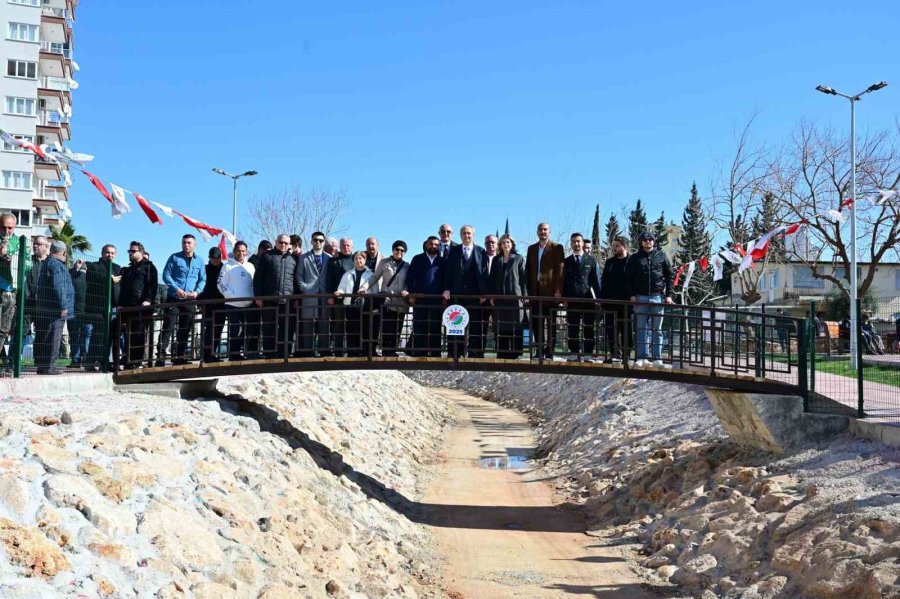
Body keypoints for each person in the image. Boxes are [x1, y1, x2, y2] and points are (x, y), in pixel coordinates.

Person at [625, 231, 674, 367]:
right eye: (645, 239)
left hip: (657, 297)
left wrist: (669, 295)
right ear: (641, 241)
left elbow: (670, 276)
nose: (648, 242)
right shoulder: (635, 258)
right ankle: (641, 357)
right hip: (640, 297)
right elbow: (628, 278)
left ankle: (658, 358)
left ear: (654, 241)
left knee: (657, 329)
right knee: (641, 328)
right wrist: (632, 294)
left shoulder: (661, 256)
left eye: (650, 239)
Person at [443, 225, 488, 358]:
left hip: (474, 295)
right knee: (455, 324)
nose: (466, 236)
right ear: (460, 235)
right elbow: (448, 272)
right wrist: (446, 288)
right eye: (464, 233)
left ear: (473, 235)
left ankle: (473, 352)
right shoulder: (453, 251)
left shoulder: (481, 251)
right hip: (457, 295)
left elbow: (485, 273)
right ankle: (456, 352)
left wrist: (484, 293)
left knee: (475, 325)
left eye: (469, 233)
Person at [160, 234, 206, 365]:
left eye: (189, 243)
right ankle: (160, 357)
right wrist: (176, 289)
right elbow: (166, 274)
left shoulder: (200, 261)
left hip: (190, 300)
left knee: (185, 329)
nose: (186, 245)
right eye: (184, 242)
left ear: (194, 245)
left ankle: (179, 357)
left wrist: (197, 292)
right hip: (174, 298)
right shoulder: (174, 258)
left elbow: (203, 279)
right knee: (168, 327)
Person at [253, 234, 298, 358]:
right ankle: (269, 353)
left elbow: (296, 281)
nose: (283, 245)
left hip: (287, 300)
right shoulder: (267, 256)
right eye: (281, 242)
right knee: (268, 327)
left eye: (286, 243)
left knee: (287, 328)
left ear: (289, 245)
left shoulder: (294, 259)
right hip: (269, 299)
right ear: (276, 242)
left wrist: (296, 299)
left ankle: (285, 353)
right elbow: (258, 279)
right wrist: (258, 296)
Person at [34, 241, 74, 374]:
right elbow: (59, 287)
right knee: (54, 338)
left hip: (46, 306)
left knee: (46, 337)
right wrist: (63, 306)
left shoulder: (48, 263)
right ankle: (50, 367)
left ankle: (43, 366)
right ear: (63, 252)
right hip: (55, 308)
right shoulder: (57, 265)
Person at [526, 223, 565, 359]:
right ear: (537, 232)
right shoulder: (531, 249)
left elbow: (560, 271)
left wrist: (558, 291)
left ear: (549, 231)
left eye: (545, 230)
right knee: (537, 323)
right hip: (535, 293)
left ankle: (550, 351)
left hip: (550, 293)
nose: (543, 232)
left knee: (551, 323)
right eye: (540, 230)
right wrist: (527, 293)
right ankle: (539, 349)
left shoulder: (557, 248)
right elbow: (528, 271)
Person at [117, 241, 158, 369]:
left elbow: (152, 285)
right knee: (128, 335)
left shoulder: (149, 267)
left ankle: (137, 361)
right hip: (129, 307)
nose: (130, 253)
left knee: (139, 335)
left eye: (133, 251)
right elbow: (123, 288)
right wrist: (121, 304)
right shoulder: (128, 269)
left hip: (141, 308)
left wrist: (148, 300)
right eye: (129, 251)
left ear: (141, 252)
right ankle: (129, 360)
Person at [563, 233, 602, 361]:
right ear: (571, 243)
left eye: (578, 241)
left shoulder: (590, 260)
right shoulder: (566, 261)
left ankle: (588, 353)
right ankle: (574, 352)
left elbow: (595, 282)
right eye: (574, 241)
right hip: (572, 300)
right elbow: (563, 281)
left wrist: (598, 299)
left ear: (582, 243)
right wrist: (564, 299)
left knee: (588, 327)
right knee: (573, 327)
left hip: (588, 299)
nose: (576, 244)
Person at [366, 240, 409, 356]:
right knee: (387, 326)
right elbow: (375, 277)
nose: (399, 252)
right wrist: (365, 287)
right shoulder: (384, 263)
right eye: (397, 249)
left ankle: (392, 350)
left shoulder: (407, 265)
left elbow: (409, 281)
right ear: (393, 250)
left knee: (397, 327)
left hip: (401, 301)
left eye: (402, 250)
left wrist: (406, 290)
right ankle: (386, 350)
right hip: (387, 300)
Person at [488, 235, 527, 359]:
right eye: (504, 242)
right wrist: (492, 296)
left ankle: (515, 353)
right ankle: (502, 352)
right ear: (500, 245)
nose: (506, 244)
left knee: (516, 326)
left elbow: (523, 278)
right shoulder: (496, 259)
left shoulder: (519, 259)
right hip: (499, 299)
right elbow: (492, 279)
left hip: (515, 298)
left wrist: (525, 296)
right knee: (501, 327)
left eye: (508, 242)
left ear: (512, 244)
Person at [84, 245, 122, 371]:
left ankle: (105, 361)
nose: (109, 255)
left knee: (110, 336)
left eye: (112, 253)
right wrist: (110, 280)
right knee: (98, 335)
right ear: (102, 253)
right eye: (107, 252)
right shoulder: (94, 267)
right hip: (99, 308)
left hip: (114, 308)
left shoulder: (117, 268)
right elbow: (95, 280)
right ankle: (90, 362)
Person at [406, 236, 446, 357]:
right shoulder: (417, 259)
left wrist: (445, 295)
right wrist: (412, 294)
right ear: (426, 245)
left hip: (436, 299)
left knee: (435, 326)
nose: (433, 246)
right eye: (431, 244)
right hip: (420, 298)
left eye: (436, 244)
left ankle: (435, 353)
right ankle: (419, 352)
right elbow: (410, 277)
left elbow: (446, 279)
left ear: (439, 246)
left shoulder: (443, 261)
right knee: (419, 325)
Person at [217, 240, 256, 360]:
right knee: (235, 330)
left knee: (246, 330)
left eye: (243, 251)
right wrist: (231, 295)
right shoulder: (227, 266)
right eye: (238, 251)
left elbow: (254, 284)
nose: (241, 253)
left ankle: (243, 352)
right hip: (233, 304)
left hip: (248, 304)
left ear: (246, 252)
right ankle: (233, 354)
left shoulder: (250, 266)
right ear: (234, 251)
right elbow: (220, 283)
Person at [294, 232, 330, 357]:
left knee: (324, 322)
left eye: (320, 240)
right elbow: (299, 275)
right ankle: (307, 351)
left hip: (324, 295)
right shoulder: (304, 257)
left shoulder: (329, 258)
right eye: (315, 240)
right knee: (307, 323)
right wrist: (304, 288)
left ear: (324, 242)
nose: (318, 242)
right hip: (309, 294)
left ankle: (324, 350)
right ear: (311, 241)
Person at [0, 213, 29, 362]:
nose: (7, 231)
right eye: (3, 227)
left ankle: (3, 358)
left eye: (10, 228)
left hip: (10, 289)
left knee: (4, 329)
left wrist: (13, 261)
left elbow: (29, 264)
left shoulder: (20, 242)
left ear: (15, 226)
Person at [334, 251, 375, 356]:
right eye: (356, 258)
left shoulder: (371, 274)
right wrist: (339, 292)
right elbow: (342, 288)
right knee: (351, 329)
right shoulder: (347, 274)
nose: (358, 260)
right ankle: (352, 352)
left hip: (365, 306)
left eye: (361, 258)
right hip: (350, 305)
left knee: (365, 329)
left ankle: (365, 352)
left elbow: (375, 290)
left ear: (365, 260)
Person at [600, 236, 631, 363]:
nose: (614, 248)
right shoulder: (609, 262)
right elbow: (604, 280)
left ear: (624, 247)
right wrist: (602, 299)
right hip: (610, 302)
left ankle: (626, 354)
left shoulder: (631, 261)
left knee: (625, 328)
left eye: (617, 246)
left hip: (626, 302)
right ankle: (614, 353)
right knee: (610, 328)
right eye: (614, 245)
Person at [325, 238, 354, 356]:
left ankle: (353, 351)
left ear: (352, 246)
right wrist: (330, 295)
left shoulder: (357, 259)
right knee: (338, 326)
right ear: (340, 247)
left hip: (353, 299)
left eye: (348, 245)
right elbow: (329, 280)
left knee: (352, 325)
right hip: (338, 299)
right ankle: (338, 351)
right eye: (343, 245)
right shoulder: (334, 261)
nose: (346, 247)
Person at [198, 246, 226, 362]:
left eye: (218, 257)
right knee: (209, 330)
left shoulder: (225, 269)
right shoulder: (204, 269)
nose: (216, 259)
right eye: (213, 257)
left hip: (221, 303)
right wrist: (200, 303)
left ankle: (213, 353)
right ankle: (206, 354)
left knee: (218, 330)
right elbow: (200, 285)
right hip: (207, 304)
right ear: (209, 258)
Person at [69, 257, 89, 366]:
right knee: (74, 335)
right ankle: (75, 360)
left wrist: (82, 270)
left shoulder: (89, 275)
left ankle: (85, 359)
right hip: (73, 310)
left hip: (86, 311)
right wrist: (76, 269)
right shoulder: (71, 274)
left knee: (86, 336)